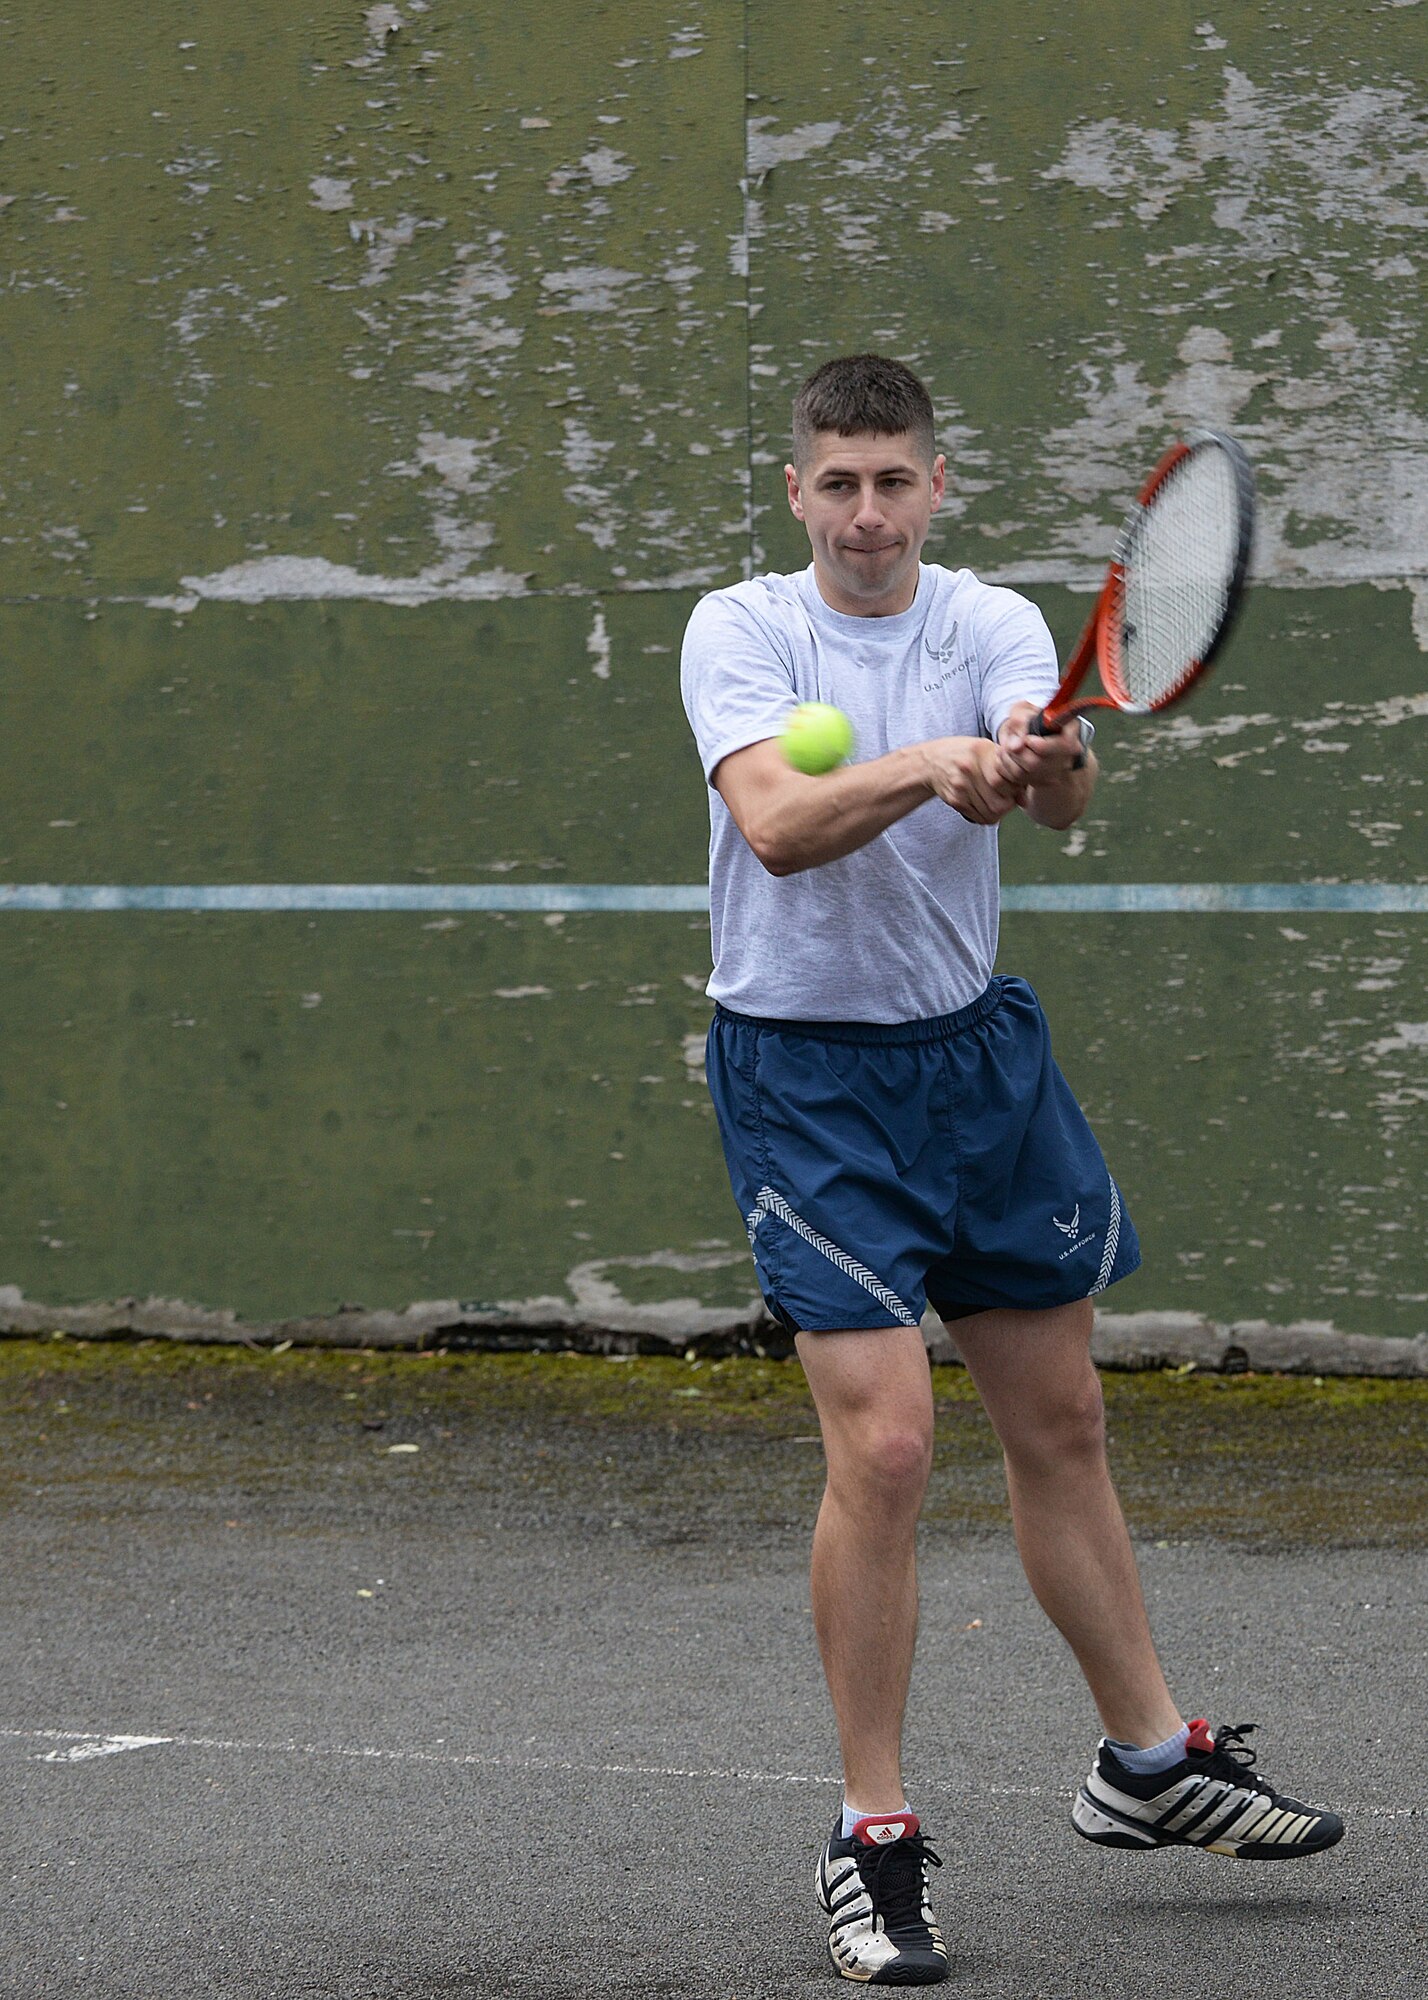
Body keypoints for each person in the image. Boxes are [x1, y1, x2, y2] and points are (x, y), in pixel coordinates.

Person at [679, 354, 1344, 1986]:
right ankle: (874, 1835)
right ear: (796, 493)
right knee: (893, 1449)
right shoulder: (743, 631)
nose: (866, 512)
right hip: (810, 1082)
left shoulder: (990, 624)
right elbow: (773, 821)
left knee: (1063, 1418)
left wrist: (1040, 766)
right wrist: (924, 769)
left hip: (976, 1062)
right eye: (837, 482)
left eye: (893, 479)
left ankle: (1145, 1763)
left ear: (937, 482)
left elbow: (1060, 799)